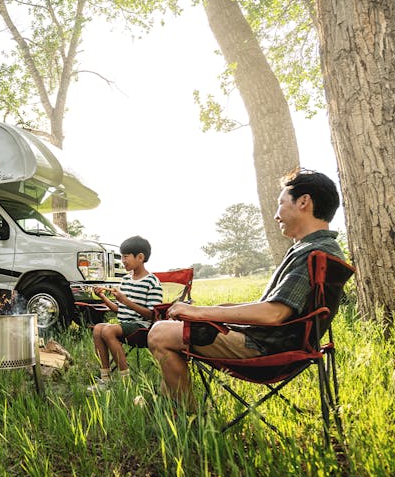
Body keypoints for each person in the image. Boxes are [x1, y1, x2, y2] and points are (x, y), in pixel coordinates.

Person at [148, 168, 345, 409]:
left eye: (281, 203)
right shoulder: (322, 250)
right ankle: (163, 402)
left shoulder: (314, 253)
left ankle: (190, 417)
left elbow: (273, 314)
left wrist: (200, 313)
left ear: (303, 202)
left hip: (266, 349)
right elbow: (272, 308)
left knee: (159, 333)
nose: (276, 215)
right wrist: (208, 310)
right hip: (282, 343)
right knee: (171, 327)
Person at [87, 235, 164, 390]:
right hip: (125, 325)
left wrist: (126, 301)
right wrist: (102, 296)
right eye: (121, 257)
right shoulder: (126, 280)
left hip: (143, 328)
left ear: (140, 257)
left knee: (108, 330)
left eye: (126, 257)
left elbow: (153, 315)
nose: (122, 260)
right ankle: (105, 379)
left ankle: (125, 383)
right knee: (98, 329)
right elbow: (119, 310)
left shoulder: (152, 282)